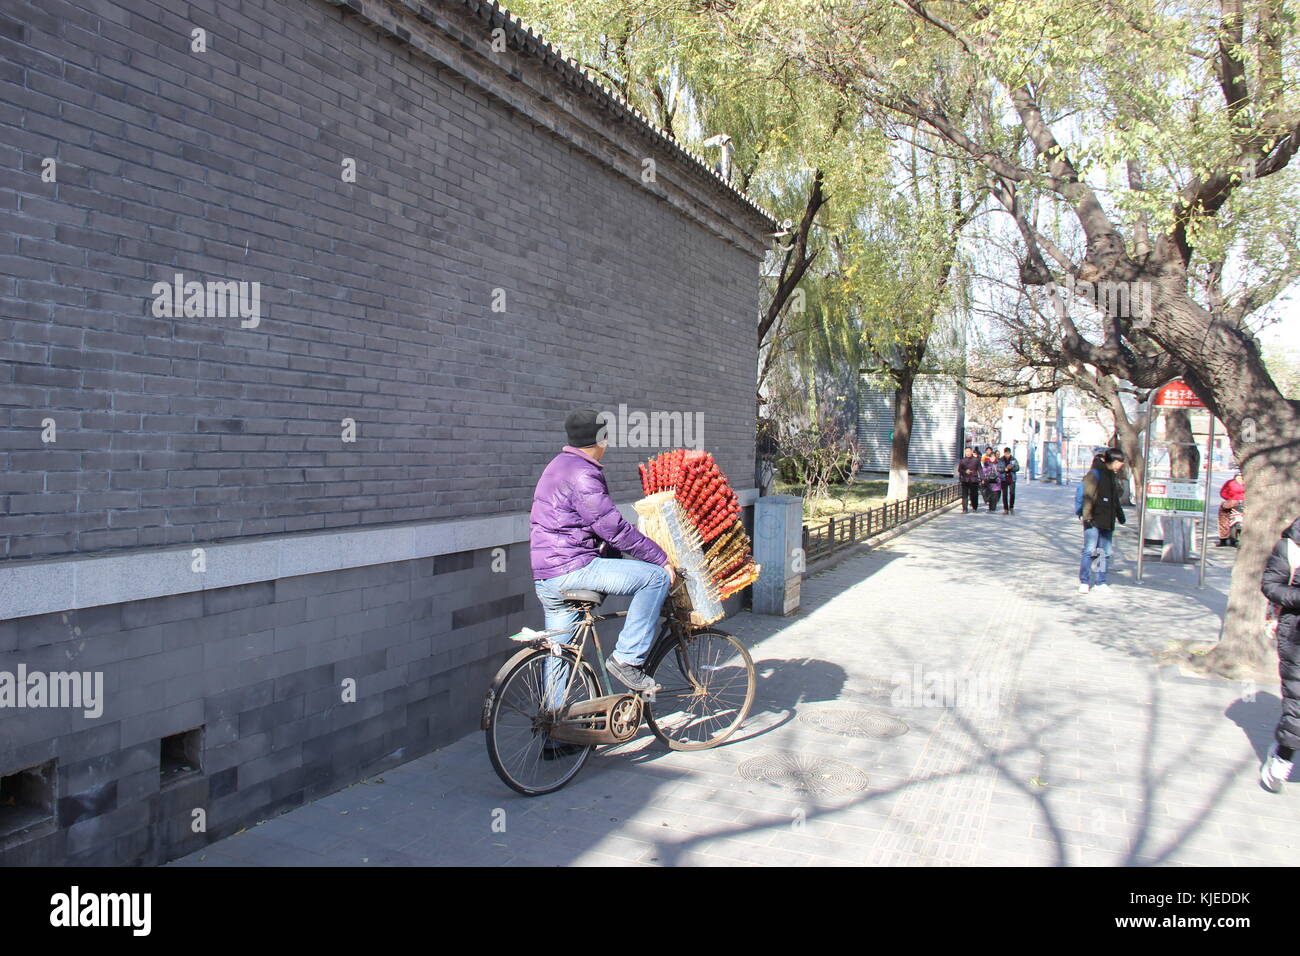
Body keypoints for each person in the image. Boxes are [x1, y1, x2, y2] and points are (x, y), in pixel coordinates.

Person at [530, 409, 676, 700]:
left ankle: (554, 734)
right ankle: (626, 659)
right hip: (573, 568)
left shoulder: (558, 465)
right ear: (601, 440)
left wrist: (616, 558)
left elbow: (592, 526)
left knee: (561, 656)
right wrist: (660, 558)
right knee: (656, 579)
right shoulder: (583, 473)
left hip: (547, 578)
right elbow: (613, 528)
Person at [1260, 516, 1300, 792]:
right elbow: (1270, 585)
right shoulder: (1290, 547)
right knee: (1297, 703)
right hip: (1295, 634)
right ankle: (1282, 757)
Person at [1078, 447, 1127, 594]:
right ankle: (1084, 581)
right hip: (1093, 520)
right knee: (1089, 550)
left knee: (1104, 552)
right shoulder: (1094, 474)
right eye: (1119, 462)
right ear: (1113, 461)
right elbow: (1087, 497)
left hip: (1108, 520)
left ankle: (1100, 581)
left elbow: (1116, 499)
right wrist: (1087, 518)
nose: (1121, 465)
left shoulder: (1112, 476)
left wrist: (1120, 516)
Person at [1217, 472, 1245, 547]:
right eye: (1238, 477)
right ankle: (1223, 539)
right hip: (1231, 502)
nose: (1239, 478)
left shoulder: (1247, 483)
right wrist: (1230, 499)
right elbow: (1223, 493)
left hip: (1243, 504)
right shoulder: (1230, 483)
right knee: (1223, 517)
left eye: (1241, 477)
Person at [957, 447, 981, 513]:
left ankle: (974, 507)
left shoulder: (976, 460)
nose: (967, 453)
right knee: (964, 495)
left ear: (971, 452)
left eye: (968, 451)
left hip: (974, 479)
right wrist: (965, 471)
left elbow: (980, 469)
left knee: (974, 494)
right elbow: (959, 469)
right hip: (965, 479)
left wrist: (982, 478)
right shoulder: (962, 460)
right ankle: (964, 509)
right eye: (966, 451)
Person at [999, 447, 1020, 514]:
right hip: (1004, 478)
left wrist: (1012, 468)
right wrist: (1004, 469)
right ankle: (1005, 509)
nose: (1007, 454)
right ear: (1004, 453)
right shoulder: (1001, 460)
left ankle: (1011, 507)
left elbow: (1017, 468)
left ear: (1010, 453)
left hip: (1012, 478)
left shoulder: (1013, 459)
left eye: (1008, 453)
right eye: (1006, 453)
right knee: (1004, 494)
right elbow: (998, 469)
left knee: (1012, 493)